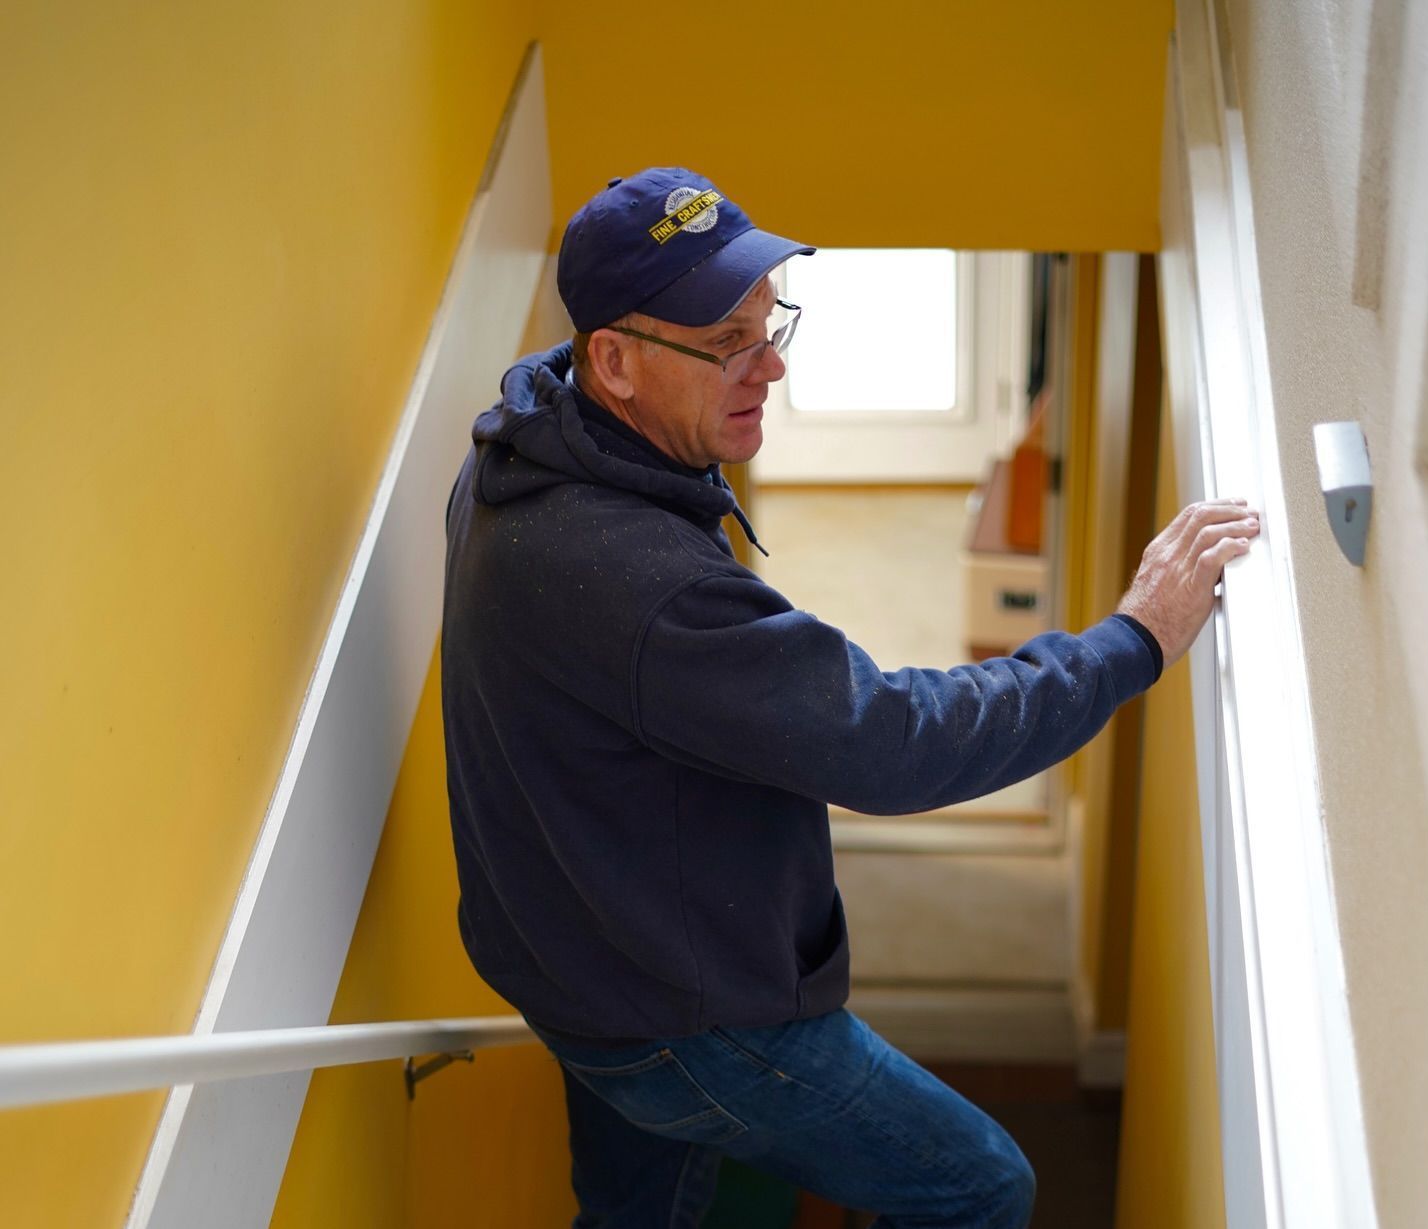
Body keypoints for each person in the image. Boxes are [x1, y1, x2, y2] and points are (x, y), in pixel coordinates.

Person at [440, 167, 1259, 1229]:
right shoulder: (646, 588)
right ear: (616, 360)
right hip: (686, 1019)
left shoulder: (517, 443)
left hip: (577, 964)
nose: (771, 363)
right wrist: (1133, 638)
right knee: (979, 1185)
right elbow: (894, 740)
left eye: (767, 320)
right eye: (727, 341)